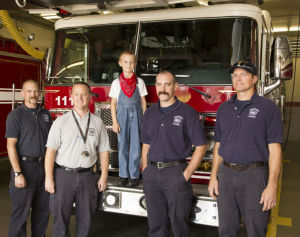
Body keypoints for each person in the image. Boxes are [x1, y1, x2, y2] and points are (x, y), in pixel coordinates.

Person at [208, 60, 283, 237]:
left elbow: (275, 150)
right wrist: (213, 177)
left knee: (256, 229)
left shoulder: (268, 108)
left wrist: (272, 185)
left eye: (243, 74)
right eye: (234, 75)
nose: (237, 79)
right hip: (226, 175)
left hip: (254, 177)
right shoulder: (224, 108)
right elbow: (219, 144)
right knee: (226, 229)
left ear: (255, 78)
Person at [141, 70, 207, 237]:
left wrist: (186, 175)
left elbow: (201, 146)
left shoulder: (187, 113)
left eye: (167, 84)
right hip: (152, 174)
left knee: (179, 224)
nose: (162, 88)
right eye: (159, 84)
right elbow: (146, 144)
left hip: (176, 174)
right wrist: (145, 168)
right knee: (156, 225)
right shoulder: (149, 113)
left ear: (175, 86)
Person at [44, 82, 110, 237]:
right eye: (77, 94)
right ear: (71, 97)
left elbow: (104, 151)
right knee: (60, 218)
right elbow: (50, 152)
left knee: (85, 219)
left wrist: (104, 176)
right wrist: (49, 177)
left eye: (84, 94)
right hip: (63, 176)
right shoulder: (61, 122)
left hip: (88, 176)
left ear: (90, 97)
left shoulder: (97, 122)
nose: (80, 98)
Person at [6, 79, 52, 237]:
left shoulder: (45, 114)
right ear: (22, 93)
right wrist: (18, 173)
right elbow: (10, 145)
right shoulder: (15, 115)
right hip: (24, 168)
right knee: (20, 214)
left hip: (43, 168)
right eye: (29, 91)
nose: (33, 94)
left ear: (39, 93)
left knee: (42, 213)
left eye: (36, 91)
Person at [109, 50, 147, 187]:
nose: (128, 64)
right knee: (123, 146)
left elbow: (143, 101)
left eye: (131, 62)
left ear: (135, 64)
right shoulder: (116, 83)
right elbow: (113, 103)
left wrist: (145, 119)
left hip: (137, 116)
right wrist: (114, 121)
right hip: (122, 116)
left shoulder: (139, 82)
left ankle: (134, 176)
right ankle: (123, 175)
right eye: (125, 62)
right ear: (120, 63)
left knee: (136, 147)